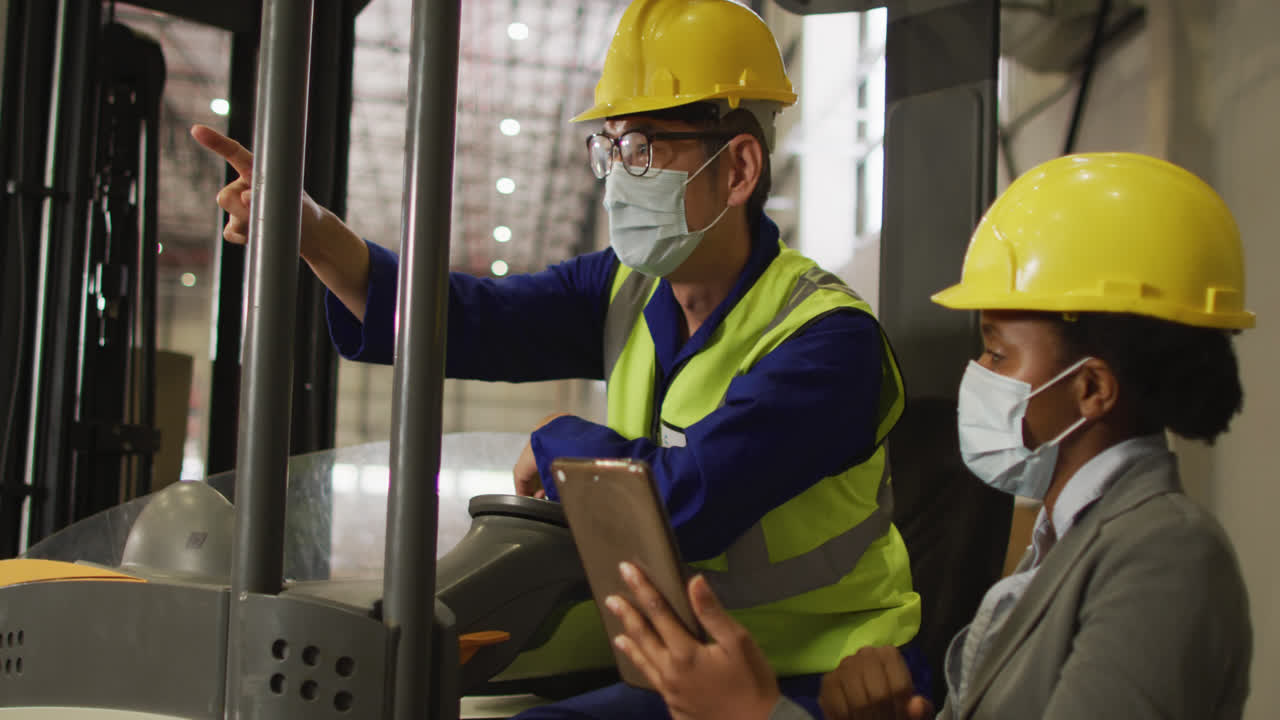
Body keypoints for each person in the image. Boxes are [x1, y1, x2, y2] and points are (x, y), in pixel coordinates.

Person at [193, 0, 921, 716]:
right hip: (677, 660)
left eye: (643, 149)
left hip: (824, 677)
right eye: (610, 148)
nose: (618, 178)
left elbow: (691, 503)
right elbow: (471, 319)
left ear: (737, 169)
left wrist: (559, 442)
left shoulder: (829, 341)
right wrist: (316, 233)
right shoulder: (625, 288)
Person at [607, 152, 1255, 720]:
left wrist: (754, 712)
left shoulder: (1165, 557)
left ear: (1091, 388)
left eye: (998, 354)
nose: (978, 374)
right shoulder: (1067, 544)